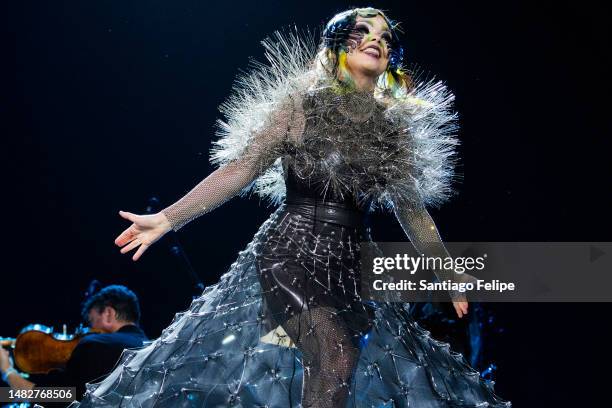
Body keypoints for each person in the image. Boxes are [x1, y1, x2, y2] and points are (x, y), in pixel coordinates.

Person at [72, 7, 510, 408]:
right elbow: (240, 170)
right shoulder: (300, 105)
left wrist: (449, 274)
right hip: (291, 252)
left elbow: (411, 211)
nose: (376, 39)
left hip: (352, 266)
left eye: (385, 36)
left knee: (336, 370)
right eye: (362, 31)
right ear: (337, 45)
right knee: (336, 356)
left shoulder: (394, 128)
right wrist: (168, 217)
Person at [0, 285, 148, 403]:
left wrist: (7, 370)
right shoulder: (150, 348)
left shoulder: (95, 345)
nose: (87, 330)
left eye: (91, 321)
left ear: (108, 314)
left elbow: (50, 397)